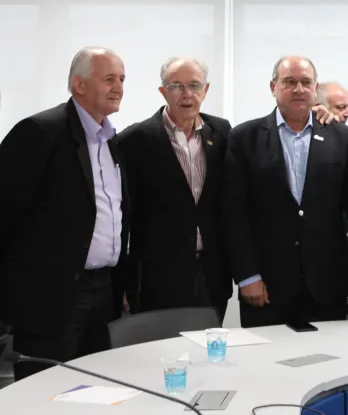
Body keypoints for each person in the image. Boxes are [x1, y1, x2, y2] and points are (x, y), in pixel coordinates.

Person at [224, 56, 348, 327]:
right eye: (289, 82)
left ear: (315, 89)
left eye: (305, 82)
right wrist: (247, 276)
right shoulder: (245, 137)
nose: (298, 89)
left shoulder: (340, 136)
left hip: (327, 286)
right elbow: (234, 214)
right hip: (266, 286)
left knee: (331, 365)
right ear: (273, 87)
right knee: (264, 365)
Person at [0, 46, 130, 380]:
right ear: (79, 85)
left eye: (122, 79)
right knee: (44, 393)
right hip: (51, 298)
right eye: (109, 79)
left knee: (95, 391)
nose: (118, 87)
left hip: (103, 292)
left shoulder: (111, 140)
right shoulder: (39, 132)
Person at [118, 57, 232, 322]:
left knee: (211, 352)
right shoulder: (134, 140)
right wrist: (122, 282)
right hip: (159, 278)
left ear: (206, 90)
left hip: (211, 273)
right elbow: (123, 216)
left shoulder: (222, 132)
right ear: (163, 91)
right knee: (161, 356)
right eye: (177, 86)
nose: (187, 94)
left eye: (194, 85)